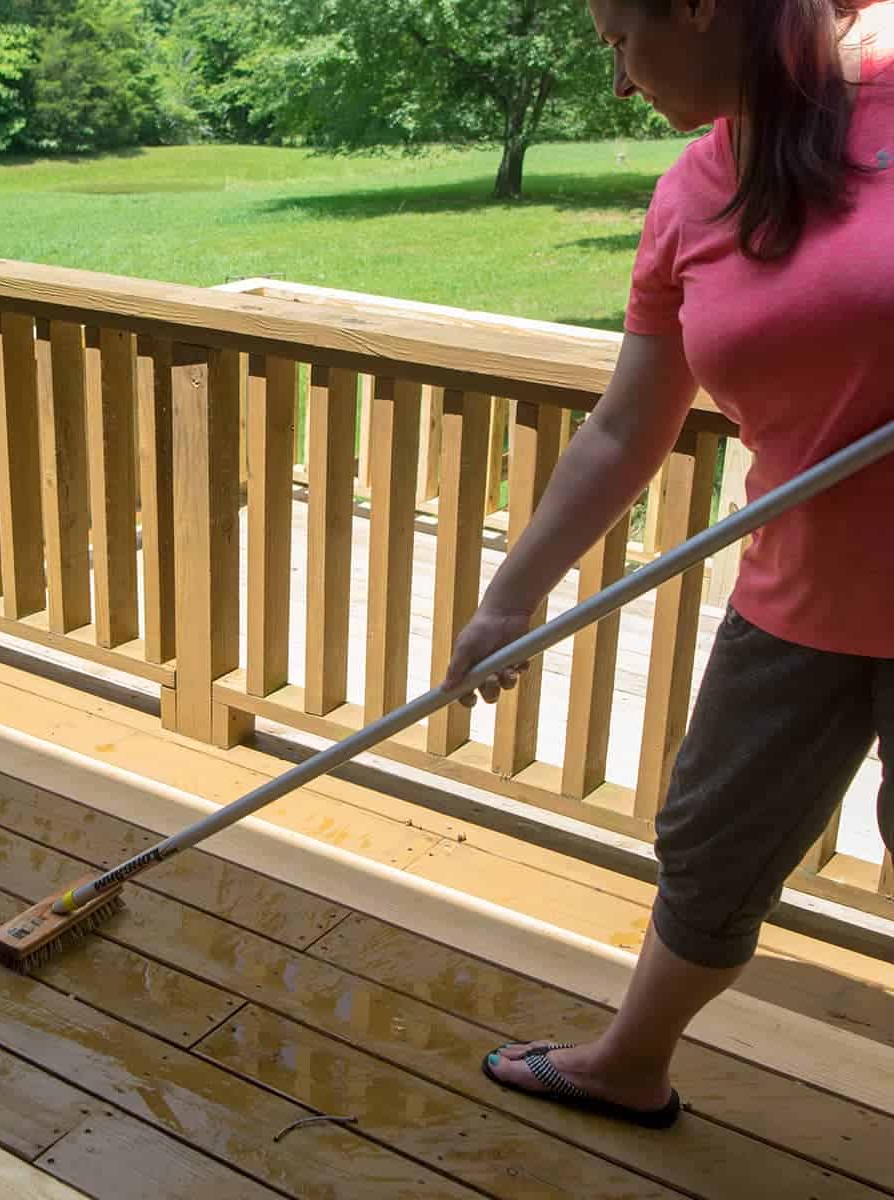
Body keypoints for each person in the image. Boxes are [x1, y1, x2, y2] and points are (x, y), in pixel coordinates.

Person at [443, 0, 894, 1129]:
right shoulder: (694, 190)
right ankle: (628, 1064)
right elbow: (626, 426)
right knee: (709, 844)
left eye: (617, 40)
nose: (618, 83)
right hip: (803, 600)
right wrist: (509, 599)